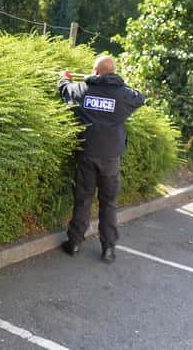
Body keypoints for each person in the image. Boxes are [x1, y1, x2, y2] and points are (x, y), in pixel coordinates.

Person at [57, 55, 144, 263]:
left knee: (83, 199)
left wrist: (64, 77)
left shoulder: (82, 90)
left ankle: (75, 243)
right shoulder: (123, 95)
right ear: (113, 73)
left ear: (95, 72)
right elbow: (140, 97)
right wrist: (119, 84)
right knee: (109, 203)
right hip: (111, 158)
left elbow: (64, 90)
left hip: (87, 153)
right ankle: (108, 249)